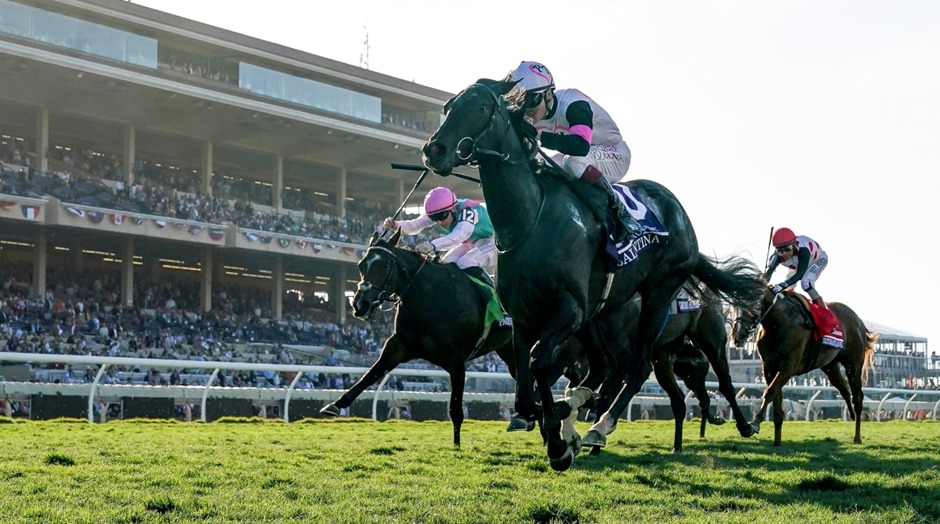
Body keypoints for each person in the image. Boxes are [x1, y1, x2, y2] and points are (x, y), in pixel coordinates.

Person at [506, 60, 638, 243]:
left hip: (613, 153)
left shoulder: (574, 103)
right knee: (541, 169)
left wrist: (538, 135)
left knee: (573, 162)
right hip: (582, 155)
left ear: (549, 93)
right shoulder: (532, 112)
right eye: (520, 101)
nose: (526, 108)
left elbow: (580, 146)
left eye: (531, 100)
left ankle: (619, 211)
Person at [383, 187, 497, 273]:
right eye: (434, 218)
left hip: (495, 241)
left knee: (466, 262)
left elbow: (459, 236)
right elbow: (415, 225)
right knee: (446, 263)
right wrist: (396, 225)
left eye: (442, 216)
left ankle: (494, 296)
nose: (439, 222)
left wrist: (432, 246)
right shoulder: (441, 210)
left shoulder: (468, 210)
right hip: (472, 243)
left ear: (453, 208)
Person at [764, 227, 829, 308]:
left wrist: (783, 285)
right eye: (780, 251)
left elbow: (800, 273)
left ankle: (823, 310)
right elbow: (768, 273)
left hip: (817, 259)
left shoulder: (804, 250)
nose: (784, 254)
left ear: (794, 245)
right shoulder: (777, 256)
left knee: (806, 283)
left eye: (787, 249)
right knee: (789, 288)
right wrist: (762, 282)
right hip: (798, 263)